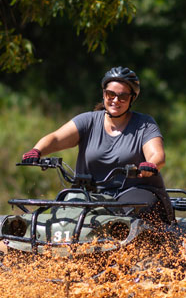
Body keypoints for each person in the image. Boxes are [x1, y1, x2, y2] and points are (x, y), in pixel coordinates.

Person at [21, 66, 175, 224]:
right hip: (90, 194)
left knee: (127, 218)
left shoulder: (144, 124)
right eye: (111, 94)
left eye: (122, 96)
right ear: (103, 94)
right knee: (61, 215)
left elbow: (157, 155)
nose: (115, 100)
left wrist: (149, 165)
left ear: (132, 98)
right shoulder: (88, 121)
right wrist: (37, 151)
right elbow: (56, 138)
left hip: (135, 191)